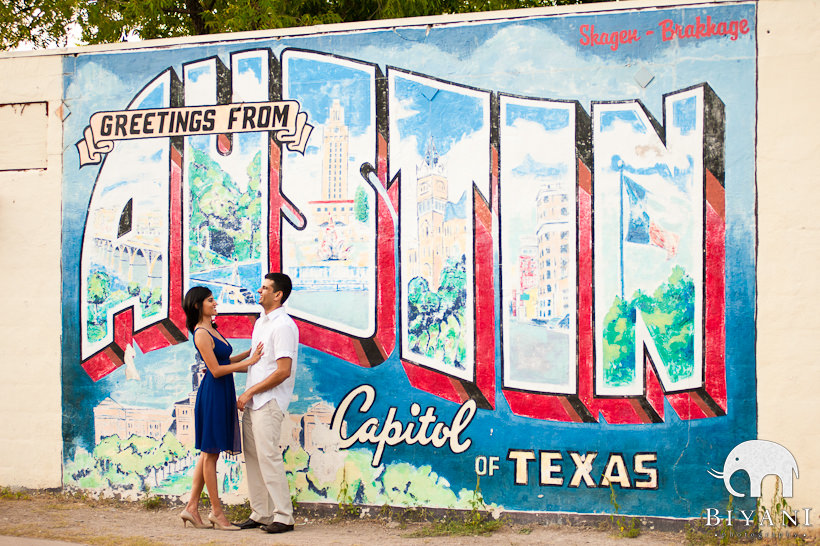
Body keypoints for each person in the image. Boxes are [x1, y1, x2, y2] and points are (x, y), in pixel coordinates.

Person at [179, 286, 263, 531]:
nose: (215, 303)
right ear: (198, 305)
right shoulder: (201, 333)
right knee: (211, 453)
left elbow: (225, 360)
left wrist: (250, 353)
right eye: (210, 300)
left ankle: (191, 508)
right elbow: (215, 370)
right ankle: (217, 513)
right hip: (214, 393)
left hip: (222, 391)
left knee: (207, 452)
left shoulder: (211, 329)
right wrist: (249, 362)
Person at [234, 273, 299, 534]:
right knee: (253, 458)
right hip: (254, 402)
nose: (258, 291)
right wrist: (221, 364)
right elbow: (253, 359)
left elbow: (283, 370)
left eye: (264, 288)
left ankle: (284, 516)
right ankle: (261, 513)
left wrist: (250, 392)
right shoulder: (262, 323)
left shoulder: (283, 326)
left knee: (269, 457)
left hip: (269, 401)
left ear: (278, 294)